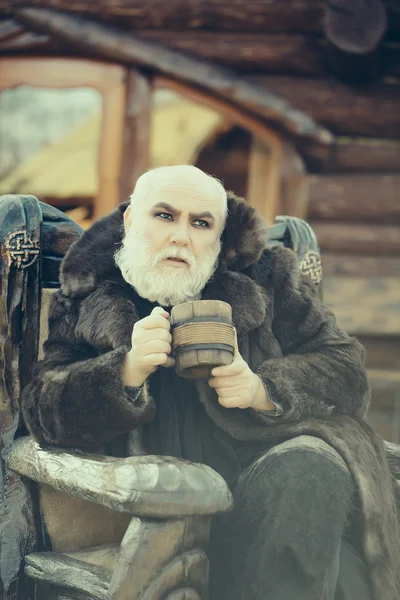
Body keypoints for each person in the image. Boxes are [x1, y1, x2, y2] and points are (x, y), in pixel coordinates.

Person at [21, 165, 400, 600]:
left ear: (218, 238)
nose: (181, 236)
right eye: (164, 216)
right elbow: (42, 408)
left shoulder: (267, 277)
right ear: (130, 220)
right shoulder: (90, 291)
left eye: (201, 223)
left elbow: (346, 368)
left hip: (269, 498)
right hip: (157, 510)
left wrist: (263, 389)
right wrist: (125, 371)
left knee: (310, 469)